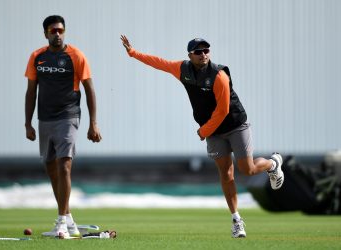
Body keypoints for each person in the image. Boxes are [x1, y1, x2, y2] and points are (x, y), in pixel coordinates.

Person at [120, 35, 284, 238]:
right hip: (214, 131)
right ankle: (237, 220)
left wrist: (203, 131)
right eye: (198, 51)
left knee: (247, 169)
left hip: (235, 125)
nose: (203, 54)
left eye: (206, 50)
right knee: (226, 174)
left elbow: (223, 110)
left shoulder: (218, 75)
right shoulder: (182, 69)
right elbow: (159, 63)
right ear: (190, 55)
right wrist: (133, 53)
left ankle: (272, 164)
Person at [25, 15, 102, 238]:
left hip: (68, 117)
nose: (57, 34)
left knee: (64, 164)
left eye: (60, 30)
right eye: (52, 31)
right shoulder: (37, 57)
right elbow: (31, 91)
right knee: (51, 169)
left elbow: (89, 89)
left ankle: (60, 220)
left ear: (64, 32)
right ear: (46, 34)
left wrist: (93, 123)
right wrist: (28, 123)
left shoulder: (76, 56)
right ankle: (67, 218)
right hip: (45, 119)